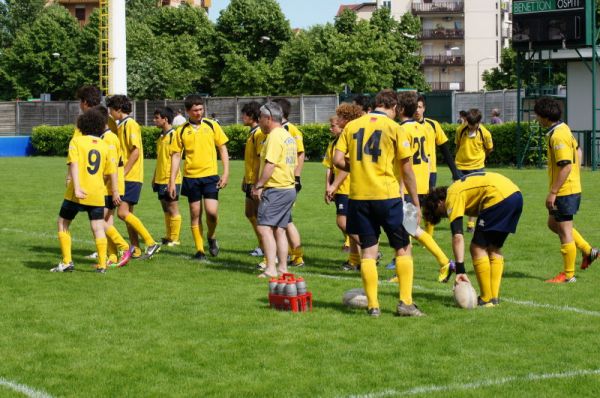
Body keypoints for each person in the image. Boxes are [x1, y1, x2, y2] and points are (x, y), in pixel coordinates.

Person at [333, 89, 423, 318]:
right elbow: (406, 169)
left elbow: (337, 159)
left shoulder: (352, 126)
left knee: (369, 252)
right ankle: (405, 303)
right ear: (395, 108)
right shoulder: (395, 128)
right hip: (387, 196)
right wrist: (416, 203)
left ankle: (373, 306)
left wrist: (358, 169)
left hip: (359, 197)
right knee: (402, 248)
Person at [421, 172, 523, 306]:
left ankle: (486, 298)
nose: (446, 215)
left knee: (477, 248)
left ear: (440, 202)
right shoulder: (458, 189)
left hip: (497, 197)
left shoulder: (452, 196)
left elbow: (457, 236)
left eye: (441, 213)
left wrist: (460, 270)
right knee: (494, 248)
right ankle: (494, 298)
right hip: (515, 195)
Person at [391, 92, 455, 284]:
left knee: (410, 229)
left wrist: (401, 189)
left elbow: (405, 163)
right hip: (421, 183)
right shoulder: (422, 128)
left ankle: (444, 262)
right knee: (406, 229)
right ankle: (403, 270)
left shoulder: (401, 130)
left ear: (400, 109)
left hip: (408, 186)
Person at [534, 97, 599, 283]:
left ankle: (568, 275)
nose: (536, 119)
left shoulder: (558, 135)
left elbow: (565, 166)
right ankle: (588, 251)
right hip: (569, 186)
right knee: (553, 224)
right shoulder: (563, 128)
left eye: (537, 115)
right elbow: (578, 151)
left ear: (545, 117)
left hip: (565, 190)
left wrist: (553, 192)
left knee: (564, 231)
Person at [52, 108, 119, 273]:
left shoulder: (77, 142)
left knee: (63, 222)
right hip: (98, 192)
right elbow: (111, 172)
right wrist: (115, 191)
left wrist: (77, 186)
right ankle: (102, 265)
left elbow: (73, 164)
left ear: (82, 125)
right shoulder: (105, 146)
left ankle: (67, 262)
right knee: (98, 227)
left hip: (77, 192)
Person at [169, 94, 230, 261]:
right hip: (191, 178)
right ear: (188, 111)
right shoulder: (180, 131)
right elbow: (176, 157)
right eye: (195, 110)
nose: (198, 112)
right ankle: (200, 250)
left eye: (201, 109)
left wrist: (225, 172)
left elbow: (222, 148)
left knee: (212, 213)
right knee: (195, 214)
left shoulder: (212, 125)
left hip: (210, 176)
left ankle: (211, 236)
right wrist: (172, 181)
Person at [106, 95, 161, 259]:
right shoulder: (121, 125)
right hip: (128, 176)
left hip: (131, 176)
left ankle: (151, 242)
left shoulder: (130, 124)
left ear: (118, 109)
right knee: (127, 215)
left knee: (122, 214)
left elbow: (135, 151)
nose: (110, 113)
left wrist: (123, 172)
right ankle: (136, 249)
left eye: (111, 110)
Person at [251, 101, 297, 278]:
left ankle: (271, 268)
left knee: (264, 228)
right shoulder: (286, 135)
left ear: (268, 118)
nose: (259, 121)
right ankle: (283, 267)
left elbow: (270, 165)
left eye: (261, 118)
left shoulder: (274, 137)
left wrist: (259, 185)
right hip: (288, 188)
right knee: (280, 229)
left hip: (276, 189)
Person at [322, 103, 363, 271]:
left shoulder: (351, 136)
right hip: (340, 188)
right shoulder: (335, 142)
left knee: (343, 222)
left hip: (348, 187)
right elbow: (330, 167)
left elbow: (347, 167)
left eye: (339, 118)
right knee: (349, 223)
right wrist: (329, 186)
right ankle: (354, 260)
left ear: (346, 119)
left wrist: (333, 186)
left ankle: (370, 247)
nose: (336, 122)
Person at [415, 95, 462, 238]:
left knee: (429, 204)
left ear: (424, 108)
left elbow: (445, 150)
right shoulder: (403, 126)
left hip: (429, 172)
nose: (417, 110)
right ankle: (410, 237)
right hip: (411, 172)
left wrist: (454, 172)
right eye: (415, 107)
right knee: (410, 206)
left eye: (420, 107)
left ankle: (428, 236)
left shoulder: (433, 125)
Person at [96, 105, 132, 268]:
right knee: (106, 220)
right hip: (107, 187)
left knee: (98, 220)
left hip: (109, 187)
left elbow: (111, 167)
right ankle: (111, 256)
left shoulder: (109, 139)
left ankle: (123, 247)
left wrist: (115, 190)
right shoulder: (104, 137)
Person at [273, 98, 304, 267]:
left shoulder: (289, 129)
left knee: (284, 221)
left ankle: (293, 256)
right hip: (283, 181)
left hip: (284, 182)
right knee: (285, 220)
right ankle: (295, 256)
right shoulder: (280, 129)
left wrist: (296, 177)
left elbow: (300, 153)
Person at [455, 108, 493, 232]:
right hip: (460, 167)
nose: (470, 127)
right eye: (468, 124)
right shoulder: (460, 130)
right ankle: (457, 222)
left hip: (477, 168)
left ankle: (471, 224)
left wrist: (481, 159)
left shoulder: (485, 133)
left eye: (473, 125)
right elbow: (458, 146)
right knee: (458, 195)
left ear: (479, 122)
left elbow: (489, 149)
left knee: (476, 197)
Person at [240, 101, 267, 261]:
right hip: (250, 180)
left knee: (260, 215)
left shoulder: (258, 134)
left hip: (256, 182)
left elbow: (259, 160)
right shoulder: (252, 133)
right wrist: (246, 177)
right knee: (250, 213)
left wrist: (257, 183)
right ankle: (262, 244)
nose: (242, 117)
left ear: (251, 116)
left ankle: (265, 246)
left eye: (244, 114)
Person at [152, 107, 182, 247]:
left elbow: (176, 158)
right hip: (160, 178)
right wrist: (154, 177)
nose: (154, 120)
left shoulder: (174, 136)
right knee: (165, 208)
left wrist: (172, 182)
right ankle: (169, 236)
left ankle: (175, 239)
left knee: (173, 207)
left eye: (157, 117)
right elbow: (160, 159)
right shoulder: (161, 137)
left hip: (171, 179)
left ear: (165, 119)